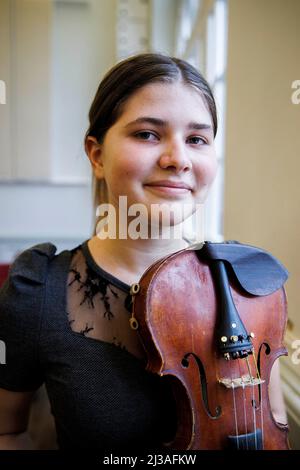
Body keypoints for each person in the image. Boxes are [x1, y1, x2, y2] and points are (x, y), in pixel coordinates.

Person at [0, 53, 287, 450]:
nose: (178, 160)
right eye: (148, 134)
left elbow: (274, 428)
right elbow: (7, 431)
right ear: (97, 154)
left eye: (197, 139)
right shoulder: (37, 292)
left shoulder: (247, 281)